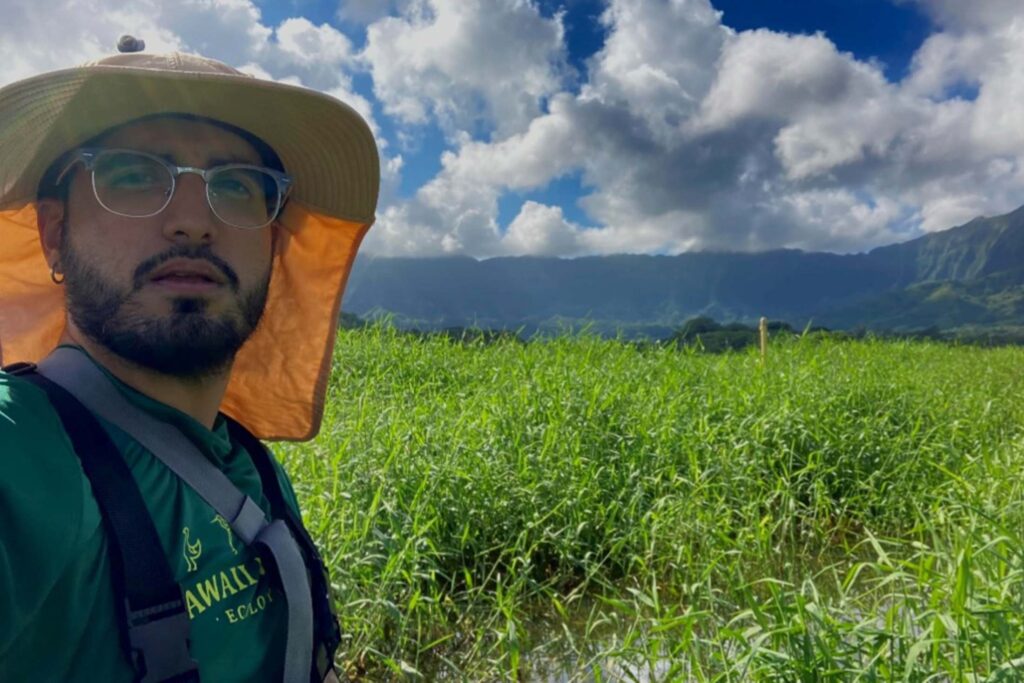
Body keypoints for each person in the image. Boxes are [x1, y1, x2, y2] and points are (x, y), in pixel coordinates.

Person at [0, 38, 379, 683]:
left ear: (271, 244)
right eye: (133, 173)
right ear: (54, 232)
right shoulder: (22, 455)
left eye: (236, 186)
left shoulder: (252, 466)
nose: (193, 221)